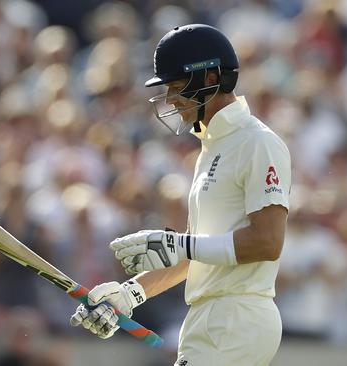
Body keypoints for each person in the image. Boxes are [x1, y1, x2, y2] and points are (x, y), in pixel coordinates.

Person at [69, 24, 291, 365]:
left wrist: (180, 243)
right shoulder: (212, 148)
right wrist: (130, 294)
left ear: (210, 78)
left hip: (236, 318)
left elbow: (268, 242)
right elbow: (200, 252)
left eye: (176, 87)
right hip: (210, 318)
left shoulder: (256, 141)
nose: (171, 100)